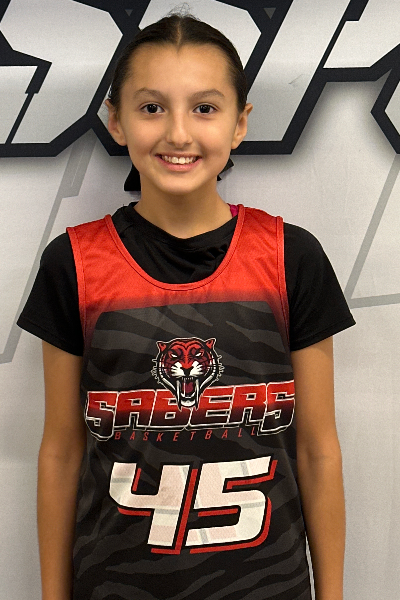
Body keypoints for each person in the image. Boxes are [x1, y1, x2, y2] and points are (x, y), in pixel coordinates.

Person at [18, 11, 355, 600]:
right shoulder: (73, 263)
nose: (178, 133)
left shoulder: (291, 258)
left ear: (240, 123)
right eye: (152, 107)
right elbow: (62, 451)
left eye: (204, 108)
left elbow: (317, 449)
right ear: (116, 121)